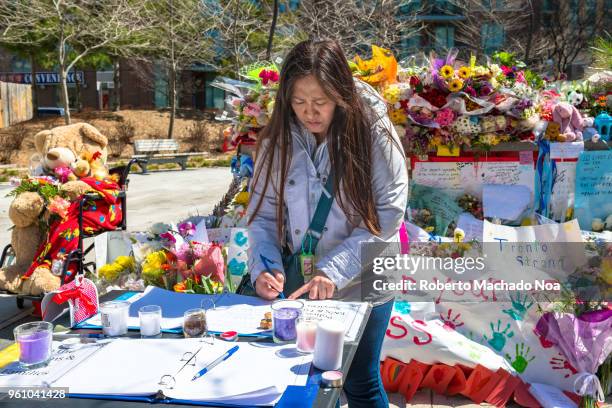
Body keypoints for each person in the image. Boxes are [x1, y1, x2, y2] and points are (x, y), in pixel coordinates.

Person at [247, 39, 408, 408]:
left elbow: (388, 214)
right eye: (299, 102)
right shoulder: (279, 139)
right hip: (308, 280)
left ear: (340, 92)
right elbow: (264, 215)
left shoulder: (373, 131)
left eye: (320, 101)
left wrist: (335, 270)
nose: (310, 113)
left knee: (359, 379)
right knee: (312, 378)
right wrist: (266, 268)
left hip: (367, 275)